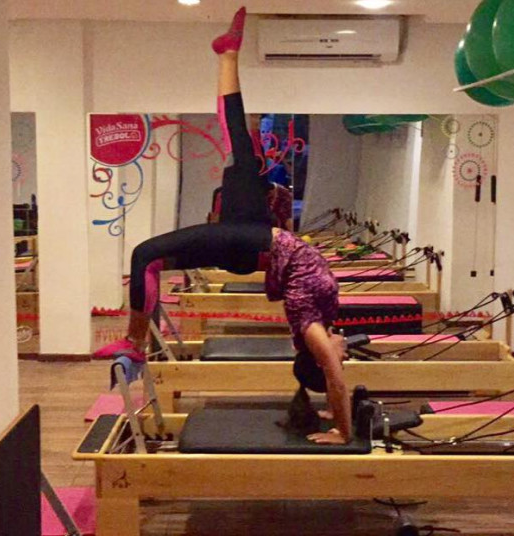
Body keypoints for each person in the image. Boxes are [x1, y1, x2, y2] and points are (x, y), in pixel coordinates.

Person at [95, 6, 350, 445]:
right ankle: (227, 56)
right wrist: (328, 402)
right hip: (255, 238)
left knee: (144, 255)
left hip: (253, 246)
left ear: (317, 358)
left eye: (338, 356)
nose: (345, 350)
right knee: (238, 148)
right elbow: (331, 377)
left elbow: (336, 378)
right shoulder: (323, 327)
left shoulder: (314, 332)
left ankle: (135, 345)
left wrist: (343, 432)